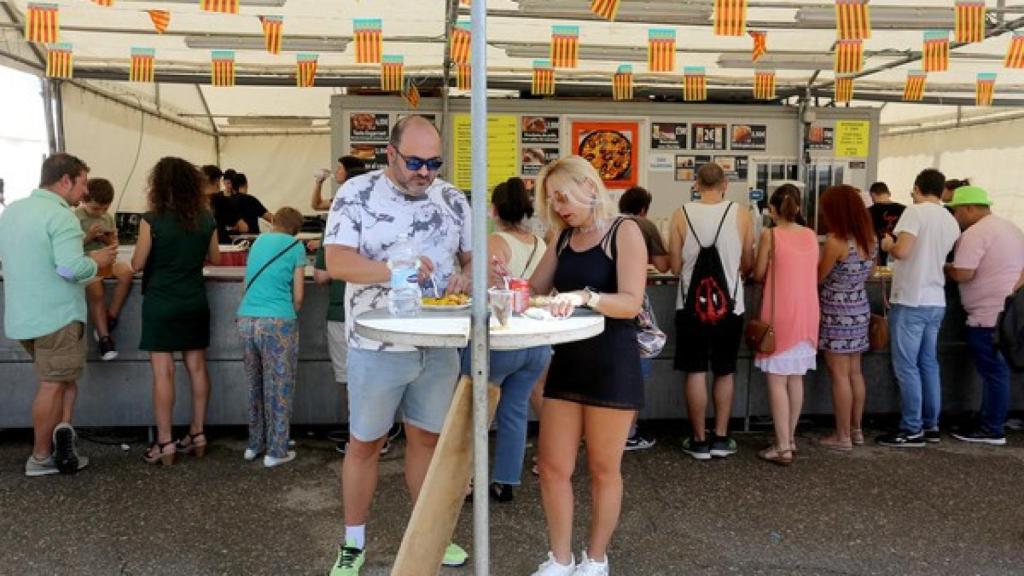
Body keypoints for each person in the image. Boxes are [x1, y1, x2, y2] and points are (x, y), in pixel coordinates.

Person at [324, 115, 472, 575]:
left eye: (434, 162)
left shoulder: (451, 198)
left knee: (427, 441)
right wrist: (396, 269)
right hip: (377, 343)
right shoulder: (357, 194)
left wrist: (471, 272)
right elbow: (336, 261)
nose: (425, 172)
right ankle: (353, 543)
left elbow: (471, 257)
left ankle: (429, 531)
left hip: (439, 342)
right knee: (365, 443)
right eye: (414, 162)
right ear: (390, 154)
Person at [526, 156, 647, 576]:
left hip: (613, 363)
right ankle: (560, 558)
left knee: (603, 469)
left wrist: (586, 296)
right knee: (553, 467)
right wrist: (505, 279)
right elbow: (535, 289)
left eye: (562, 197)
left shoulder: (623, 231)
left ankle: (596, 559)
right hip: (569, 361)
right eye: (551, 200)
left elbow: (630, 302)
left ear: (588, 186)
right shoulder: (561, 238)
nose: (558, 207)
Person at [0, 153, 116, 476]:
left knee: (64, 379)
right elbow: (69, 267)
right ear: (65, 180)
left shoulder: (13, 213)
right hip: (58, 317)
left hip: (23, 317)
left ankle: (63, 434)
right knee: (52, 383)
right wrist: (100, 260)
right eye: (82, 183)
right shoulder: (61, 216)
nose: (84, 191)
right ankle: (40, 458)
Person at [131, 157, 220, 466]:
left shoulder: (151, 219)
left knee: (163, 372)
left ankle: (165, 441)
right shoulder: (206, 218)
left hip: (160, 302)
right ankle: (197, 434)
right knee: (196, 367)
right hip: (194, 300)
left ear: (159, 185)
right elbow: (215, 258)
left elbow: (138, 264)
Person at [467, 176, 550, 503]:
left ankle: (471, 479)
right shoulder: (541, 244)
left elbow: (480, 292)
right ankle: (505, 481)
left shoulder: (493, 243)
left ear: (495, 209)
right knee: (515, 411)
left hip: (501, 341)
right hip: (535, 341)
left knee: (478, 412)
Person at [668, 163, 755, 461]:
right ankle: (720, 437)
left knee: (694, 370)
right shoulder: (741, 214)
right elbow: (748, 263)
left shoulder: (680, 214)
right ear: (725, 184)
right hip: (730, 305)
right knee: (725, 369)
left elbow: (676, 266)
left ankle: (698, 440)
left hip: (690, 305)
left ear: (696, 183)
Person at [876, 169, 960, 448]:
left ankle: (911, 429)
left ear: (916, 188)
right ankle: (931, 425)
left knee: (907, 367)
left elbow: (903, 251)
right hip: (936, 300)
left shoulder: (915, 212)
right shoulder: (950, 219)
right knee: (928, 364)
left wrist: (889, 243)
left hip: (911, 299)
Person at [946, 186, 1024, 445]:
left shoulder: (976, 233)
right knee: (998, 370)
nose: (956, 216)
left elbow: (964, 273)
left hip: (986, 314)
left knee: (993, 372)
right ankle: (990, 419)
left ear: (970, 208)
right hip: (1010, 311)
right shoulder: (1011, 228)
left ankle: (991, 428)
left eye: (957, 210)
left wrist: (946, 268)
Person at [751, 184, 820, 465]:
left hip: (780, 313)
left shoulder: (770, 234)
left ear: (772, 209)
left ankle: (781, 447)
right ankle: (789, 438)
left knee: (777, 380)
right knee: (795, 378)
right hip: (808, 312)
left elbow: (758, 273)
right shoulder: (811, 235)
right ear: (800, 207)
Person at [237, 207, 307, 467]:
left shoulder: (256, 243)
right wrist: (288, 312)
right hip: (278, 321)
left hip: (246, 320)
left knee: (255, 385)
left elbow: (245, 285)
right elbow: (298, 295)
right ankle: (276, 451)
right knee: (279, 386)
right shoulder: (295, 247)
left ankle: (255, 444)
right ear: (295, 229)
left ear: (274, 222)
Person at [817, 185, 877, 451]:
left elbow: (818, 277)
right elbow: (871, 273)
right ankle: (856, 430)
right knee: (855, 372)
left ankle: (841, 437)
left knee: (839, 375)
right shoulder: (869, 239)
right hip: (859, 307)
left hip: (835, 310)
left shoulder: (836, 242)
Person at [617, 185, 669, 451]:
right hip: (635, 304)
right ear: (643, 208)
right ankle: (630, 433)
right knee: (638, 363)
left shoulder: (611, 225)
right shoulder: (644, 225)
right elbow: (664, 266)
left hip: (609, 302)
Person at [76, 178, 135, 361]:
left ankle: (110, 317)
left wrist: (106, 240)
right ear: (83, 200)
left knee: (126, 271)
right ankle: (104, 338)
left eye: (105, 208)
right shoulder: (76, 217)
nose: (100, 212)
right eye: (95, 209)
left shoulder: (107, 218)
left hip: (107, 263)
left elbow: (114, 243)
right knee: (96, 290)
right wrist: (89, 237)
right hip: (87, 264)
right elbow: (70, 247)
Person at [202, 165, 246, 244]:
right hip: (220, 245)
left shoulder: (190, 201)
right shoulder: (222, 200)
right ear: (217, 181)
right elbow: (243, 228)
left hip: (199, 246)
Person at [867, 181, 905, 266]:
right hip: (899, 251)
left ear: (872, 195)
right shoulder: (904, 210)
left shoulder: (867, 212)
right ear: (889, 193)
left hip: (876, 255)